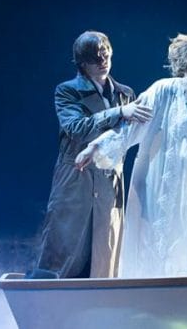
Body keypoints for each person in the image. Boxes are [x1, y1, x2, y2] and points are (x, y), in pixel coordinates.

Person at [75, 32, 187, 278]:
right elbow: (132, 125)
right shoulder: (165, 89)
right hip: (164, 185)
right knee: (163, 248)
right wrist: (96, 147)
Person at [27, 31, 152, 279]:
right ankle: (48, 299)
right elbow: (77, 128)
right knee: (64, 250)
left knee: (104, 255)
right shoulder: (67, 91)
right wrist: (119, 112)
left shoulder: (124, 93)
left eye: (105, 54)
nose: (102, 61)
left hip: (109, 181)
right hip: (76, 180)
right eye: (95, 57)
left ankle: (98, 300)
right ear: (82, 63)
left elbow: (130, 135)